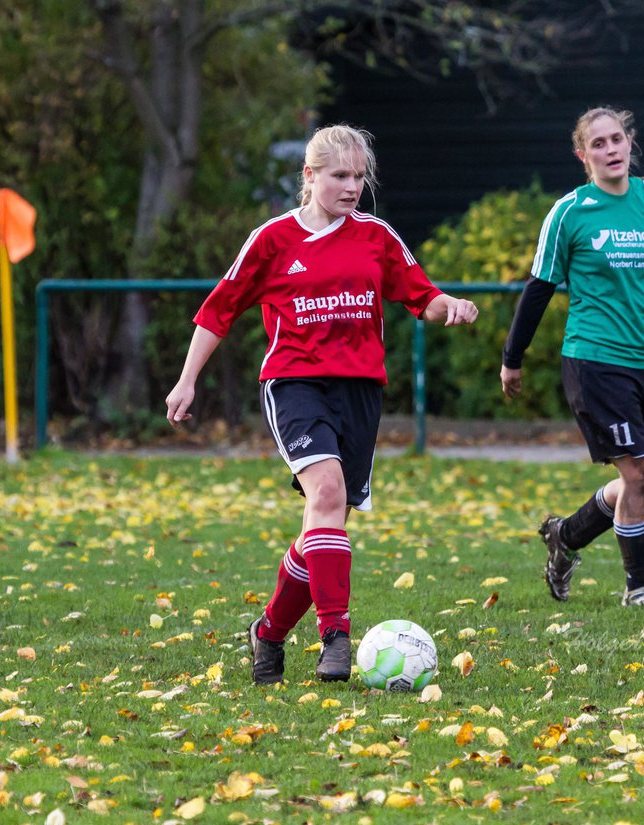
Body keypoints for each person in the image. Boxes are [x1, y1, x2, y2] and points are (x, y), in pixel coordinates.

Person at [165, 125, 479, 685]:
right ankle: (336, 638)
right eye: (340, 176)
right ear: (308, 177)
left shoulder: (376, 237)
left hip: (360, 390)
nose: (352, 186)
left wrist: (448, 305)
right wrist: (187, 380)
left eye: (359, 176)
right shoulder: (272, 240)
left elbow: (420, 296)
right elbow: (219, 310)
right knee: (327, 494)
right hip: (294, 383)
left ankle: (267, 633)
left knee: (324, 525)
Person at [500, 106, 644, 609]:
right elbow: (539, 286)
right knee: (639, 475)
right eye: (598, 143)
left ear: (630, 143)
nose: (611, 150)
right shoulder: (570, 212)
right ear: (584, 155)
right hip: (594, 360)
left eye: (617, 139)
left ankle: (566, 535)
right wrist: (512, 357)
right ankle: (640, 589)